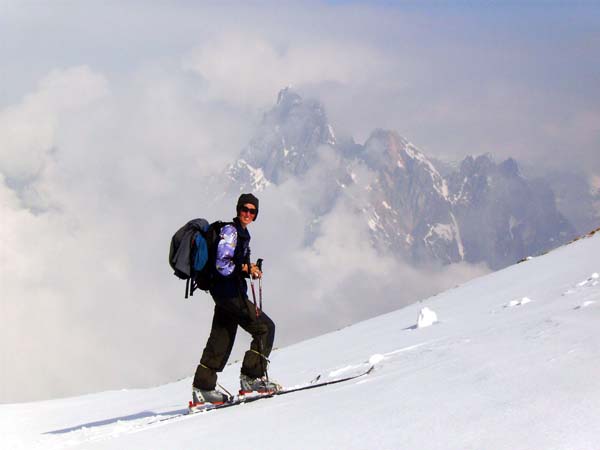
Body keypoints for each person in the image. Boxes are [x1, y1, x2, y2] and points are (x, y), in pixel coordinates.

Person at [191, 193, 279, 405]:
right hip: (230, 295)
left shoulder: (240, 233)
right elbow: (223, 264)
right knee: (265, 327)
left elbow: (230, 264)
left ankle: (203, 388)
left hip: (223, 295)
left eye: (252, 211)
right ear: (238, 209)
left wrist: (248, 270)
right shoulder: (231, 231)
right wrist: (245, 268)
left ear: (255, 214)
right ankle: (251, 377)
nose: (248, 213)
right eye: (244, 209)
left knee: (220, 339)